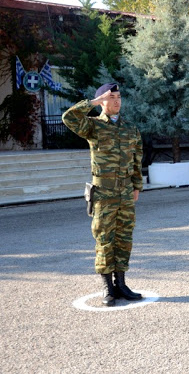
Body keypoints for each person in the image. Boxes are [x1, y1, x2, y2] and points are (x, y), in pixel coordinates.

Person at [62, 83, 144, 307]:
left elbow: (137, 158)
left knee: (124, 237)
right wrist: (94, 102)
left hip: (126, 191)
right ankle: (108, 287)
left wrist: (137, 185)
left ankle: (122, 284)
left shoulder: (130, 129)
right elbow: (68, 118)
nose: (117, 101)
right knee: (104, 238)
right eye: (111, 97)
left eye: (119, 97)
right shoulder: (93, 126)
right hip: (104, 192)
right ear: (102, 102)